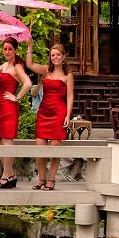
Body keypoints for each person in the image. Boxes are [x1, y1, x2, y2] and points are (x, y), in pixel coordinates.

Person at [26, 42, 75, 191]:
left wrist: (68, 115)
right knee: (40, 147)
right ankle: (41, 179)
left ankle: (51, 179)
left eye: (58, 55)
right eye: (53, 55)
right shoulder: (46, 71)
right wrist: (30, 47)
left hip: (58, 113)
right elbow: (29, 64)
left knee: (55, 148)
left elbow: (70, 96)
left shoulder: (68, 75)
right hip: (44, 112)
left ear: (64, 56)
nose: (55, 57)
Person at [0, 37, 31, 188]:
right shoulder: (4, 66)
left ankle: (6, 176)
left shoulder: (17, 66)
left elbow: (28, 83)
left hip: (9, 106)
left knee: (7, 140)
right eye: (4, 49)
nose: (6, 52)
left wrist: (16, 97)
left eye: (10, 49)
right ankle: (10, 174)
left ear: (15, 51)